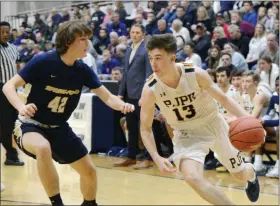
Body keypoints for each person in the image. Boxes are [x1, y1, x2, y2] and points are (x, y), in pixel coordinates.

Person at [2, 20, 135, 206]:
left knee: (89, 172)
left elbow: (108, 97)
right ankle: (57, 203)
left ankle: (89, 203)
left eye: (88, 38)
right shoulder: (44, 61)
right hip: (30, 124)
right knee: (42, 147)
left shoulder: (83, 70)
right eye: (82, 39)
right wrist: (21, 107)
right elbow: (9, 86)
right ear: (68, 42)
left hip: (59, 127)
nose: (87, 43)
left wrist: (122, 105)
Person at [139, 34, 260, 205]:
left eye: (158, 58)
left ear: (172, 57)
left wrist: (248, 119)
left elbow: (224, 99)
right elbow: (145, 128)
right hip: (186, 134)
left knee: (240, 174)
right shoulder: (150, 89)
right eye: (151, 58)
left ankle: (252, 175)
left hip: (213, 124)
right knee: (191, 177)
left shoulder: (195, 74)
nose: (153, 63)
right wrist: (156, 157)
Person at [0, 21, 24, 166]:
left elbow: (19, 66)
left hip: (12, 89)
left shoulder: (14, 49)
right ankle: (11, 155)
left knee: (12, 123)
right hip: (1, 88)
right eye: (2, 31)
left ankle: (11, 154)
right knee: (6, 124)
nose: (5, 34)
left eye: (7, 31)